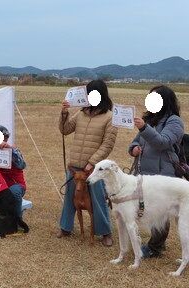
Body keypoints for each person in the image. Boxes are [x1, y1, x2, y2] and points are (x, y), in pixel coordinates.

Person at [56, 79, 118, 246]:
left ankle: (105, 232)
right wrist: (64, 113)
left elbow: (107, 144)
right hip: (75, 166)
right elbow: (65, 129)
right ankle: (65, 227)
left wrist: (92, 162)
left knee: (98, 199)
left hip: (94, 169)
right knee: (70, 196)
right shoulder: (81, 113)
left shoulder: (110, 117)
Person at [128, 85, 184, 258]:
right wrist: (134, 148)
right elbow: (135, 143)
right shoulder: (151, 120)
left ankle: (156, 246)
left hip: (164, 174)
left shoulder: (174, 121)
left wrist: (144, 128)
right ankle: (156, 244)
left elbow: (162, 142)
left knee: (164, 211)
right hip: (145, 174)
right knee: (151, 209)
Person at [0, 124, 27, 217]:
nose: (3, 141)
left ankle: (16, 219)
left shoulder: (13, 151)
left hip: (15, 185)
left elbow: (22, 165)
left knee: (13, 193)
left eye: (5, 138)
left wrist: (11, 151)